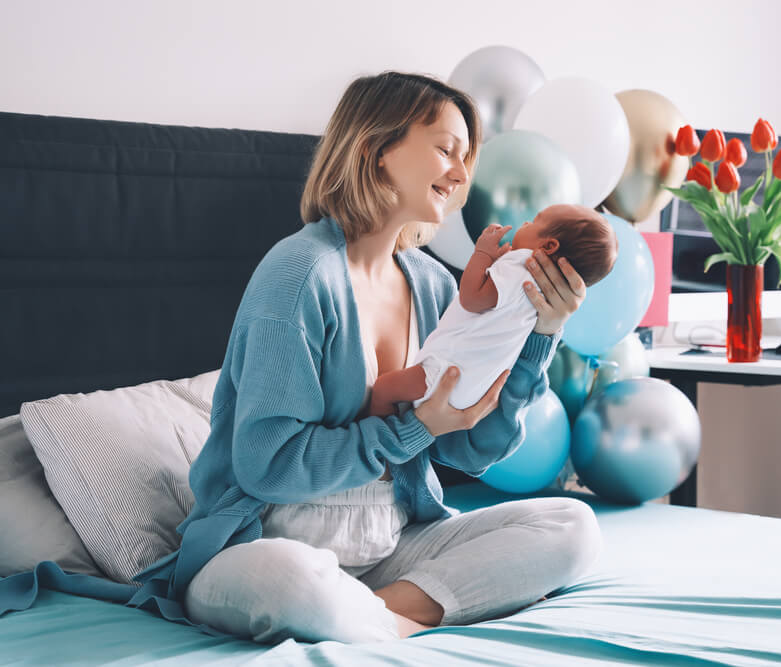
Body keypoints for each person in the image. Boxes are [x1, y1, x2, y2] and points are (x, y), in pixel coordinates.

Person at [176, 71, 603, 644]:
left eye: (465, 158)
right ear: (377, 149)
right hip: (266, 543)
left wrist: (541, 334)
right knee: (292, 582)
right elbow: (268, 466)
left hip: (389, 543)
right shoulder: (298, 274)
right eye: (446, 150)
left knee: (571, 525)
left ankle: (375, 618)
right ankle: (388, 614)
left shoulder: (431, 284)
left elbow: (471, 449)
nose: (460, 173)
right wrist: (413, 429)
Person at [369, 205, 617, 417]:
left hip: (445, 373)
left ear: (549, 245)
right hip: (470, 388)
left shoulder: (521, 264)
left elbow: (472, 299)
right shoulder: (541, 293)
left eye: (535, 221)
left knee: (383, 390)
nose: (526, 222)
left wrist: (482, 254)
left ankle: (382, 458)